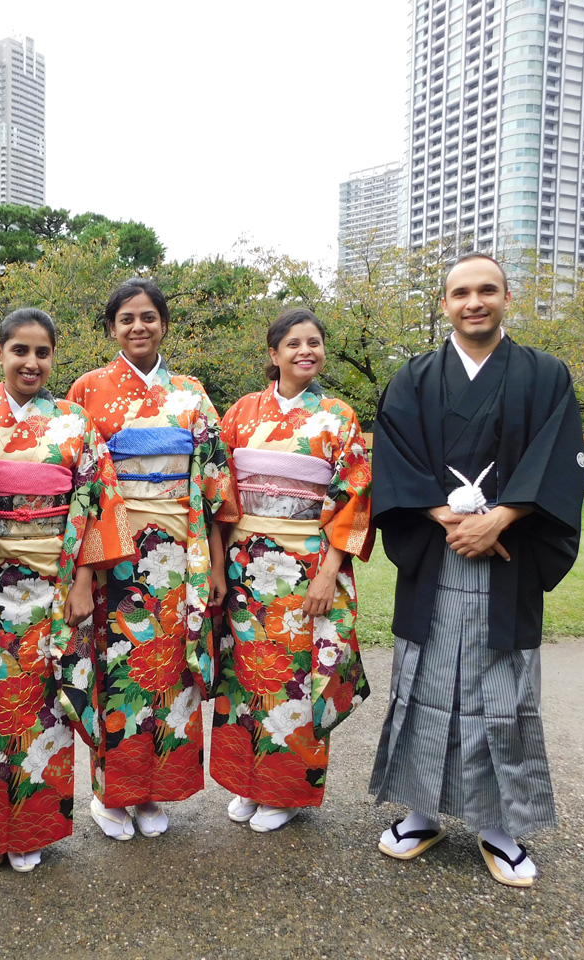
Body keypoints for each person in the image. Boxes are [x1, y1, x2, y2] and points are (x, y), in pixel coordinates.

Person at [368, 253, 584, 888]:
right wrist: (446, 517)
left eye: (486, 290)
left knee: (504, 691)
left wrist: (504, 516)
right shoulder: (413, 378)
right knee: (425, 683)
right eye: (460, 292)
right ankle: (421, 811)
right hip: (436, 553)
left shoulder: (544, 375)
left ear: (507, 297)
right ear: (444, 304)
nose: (474, 302)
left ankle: (500, 826)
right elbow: (395, 459)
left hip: (510, 553)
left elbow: (557, 453)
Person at [0, 308, 134, 872]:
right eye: (20, 351)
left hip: (53, 588)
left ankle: (31, 829)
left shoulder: (76, 423)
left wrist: (84, 581)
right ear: (0, 353)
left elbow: (100, 501)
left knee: (45, 709)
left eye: (43, 352)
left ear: (54, 357)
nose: (31, 362)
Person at [66, 278, 236, 841]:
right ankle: (110, 791)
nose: (138, 327)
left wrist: (214, 565)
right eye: (126, 319)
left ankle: (154, 791)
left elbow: (213, 486)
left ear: (164, 323)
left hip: (178, 553)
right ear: (111, 328)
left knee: (170, 673)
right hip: (112, 552)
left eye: (148, 317)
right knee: (114, 670)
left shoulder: (191, 393)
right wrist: (84, 572)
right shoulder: (88, 389)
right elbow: (80, 488)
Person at [210, 309, 373, 833]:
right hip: (245, 566)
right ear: (273, 353)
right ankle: (246, 783)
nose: (307, 351)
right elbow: (219, 492)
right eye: (295, 343)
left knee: (296, 680)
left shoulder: (338, 416)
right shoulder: (240, 413)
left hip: (306, 565)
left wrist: (329, 573)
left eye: (315, 343)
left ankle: (283, 790)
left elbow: (352, 498)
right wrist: (220, 561)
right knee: (245, 677)